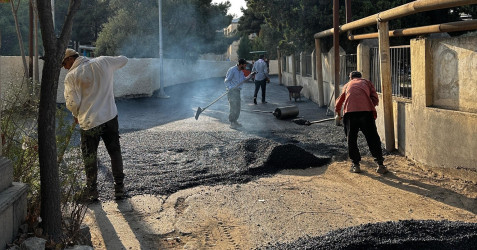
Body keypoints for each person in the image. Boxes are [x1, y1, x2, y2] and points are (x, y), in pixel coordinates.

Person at [62, 48, 128, 201]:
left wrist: (75, 115)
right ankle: (119, 188)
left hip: (89, 122)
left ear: (71, 59)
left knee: (90, 156)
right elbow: (124, 59)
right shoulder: (103, 61)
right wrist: (106, 61)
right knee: (114, 152)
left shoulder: (71, 76)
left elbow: (73, 103)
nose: (63, 67)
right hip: (110, 116)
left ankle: (92, 191)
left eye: (64, 63)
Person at [335, 71, 388, 174]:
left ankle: (356, 165)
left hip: (350, 114)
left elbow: (339, 101)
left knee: (351, 139)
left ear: (350, 78)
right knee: (372, 138)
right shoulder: (367, 83)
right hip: (366, 114)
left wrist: (338, 113)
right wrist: (367, 105)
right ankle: (380, 165)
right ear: (360, 77)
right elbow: (375, 99)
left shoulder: (347, 85)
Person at [224, 58, 255, 128]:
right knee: (233, 106)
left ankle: (235, 121)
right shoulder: (232, 70)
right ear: (240, 64)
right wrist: (230, 88)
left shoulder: (241, 72)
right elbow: (226, 81)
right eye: (244, 65)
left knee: (238, 107)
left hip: (237, 91)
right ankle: (232, 123)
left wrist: (251, 75)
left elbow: (244, 80)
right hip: (231, 91)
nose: (245, 66)